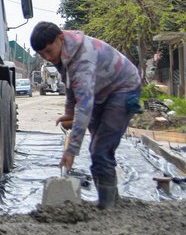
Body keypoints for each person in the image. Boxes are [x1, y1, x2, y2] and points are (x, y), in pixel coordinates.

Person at [31, 21, 142, 210]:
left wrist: (71, 150)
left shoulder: (83, 58)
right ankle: (110, 200)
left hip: (123, 89)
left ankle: (107, 207)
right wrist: (68, 112)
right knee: (98, 149)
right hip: (101, 91)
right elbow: (70, 84)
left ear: (60, 38)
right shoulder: (63, 51)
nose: (48, 58)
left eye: (49, 51)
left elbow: (84, 106)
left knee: (101, 149)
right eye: (42, 55)